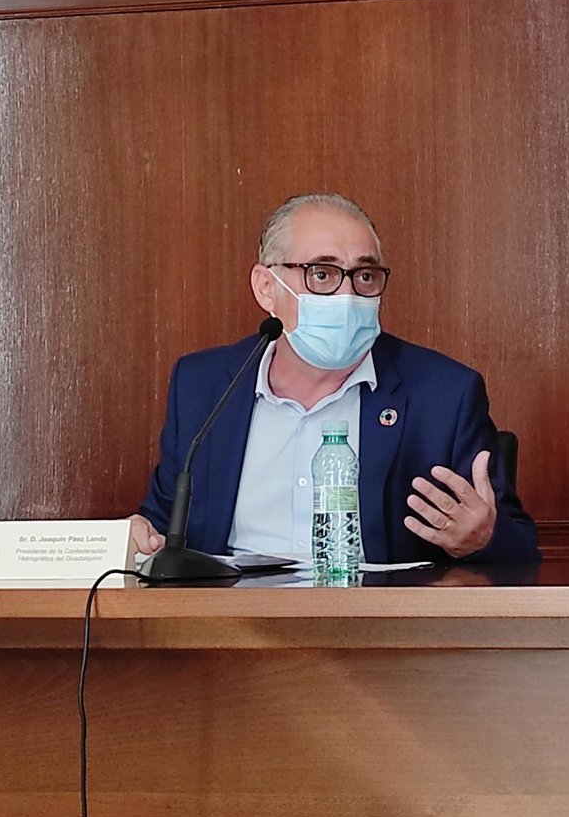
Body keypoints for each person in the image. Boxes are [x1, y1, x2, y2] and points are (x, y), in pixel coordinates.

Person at [129, 193, 539, 564]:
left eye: (364, 276)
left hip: (374, 618)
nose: (348, 296)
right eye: (322, 274)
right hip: (228, 616)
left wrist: (483, 539)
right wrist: (139, 536)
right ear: (267, 287)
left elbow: (521, 547)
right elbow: (163, 524)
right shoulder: (202, 386)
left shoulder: (443, 395)